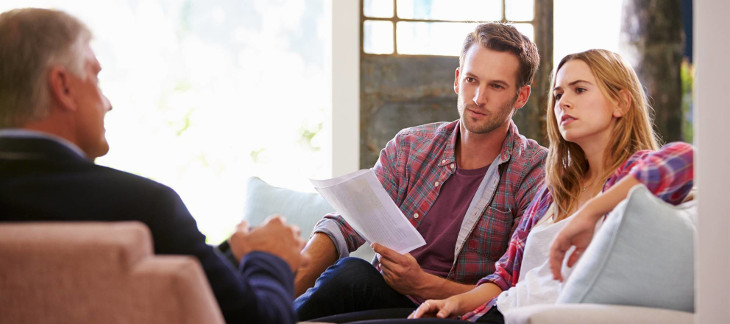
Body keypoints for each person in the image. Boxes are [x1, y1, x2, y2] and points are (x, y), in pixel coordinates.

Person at [0, 8, 305, 324]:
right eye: (96, 77)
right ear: (63, 87)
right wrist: (270, 258)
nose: (108, 103)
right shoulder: (143, 209)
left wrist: (230, 255)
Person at [409, 49, 694, 323]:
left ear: (620, 103)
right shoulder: (555, 188)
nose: (563, 103)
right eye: (558, 95)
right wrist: (454, 304)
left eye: (579, 90)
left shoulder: (633, 173)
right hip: (495, 311)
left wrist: (591, 211)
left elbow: (687, 160)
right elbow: (505, 278)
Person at [294, 22, 547, 321]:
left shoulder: (535, 171)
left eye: (496, 86)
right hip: (388, 295)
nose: (478, 97)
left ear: (521, 96)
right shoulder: (410, 147)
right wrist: (285, 285)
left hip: (461, 313)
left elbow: (518, 287)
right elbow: (345, 225)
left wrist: (422, 283)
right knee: (349, 274)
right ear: (457, 80)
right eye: (471, 80)